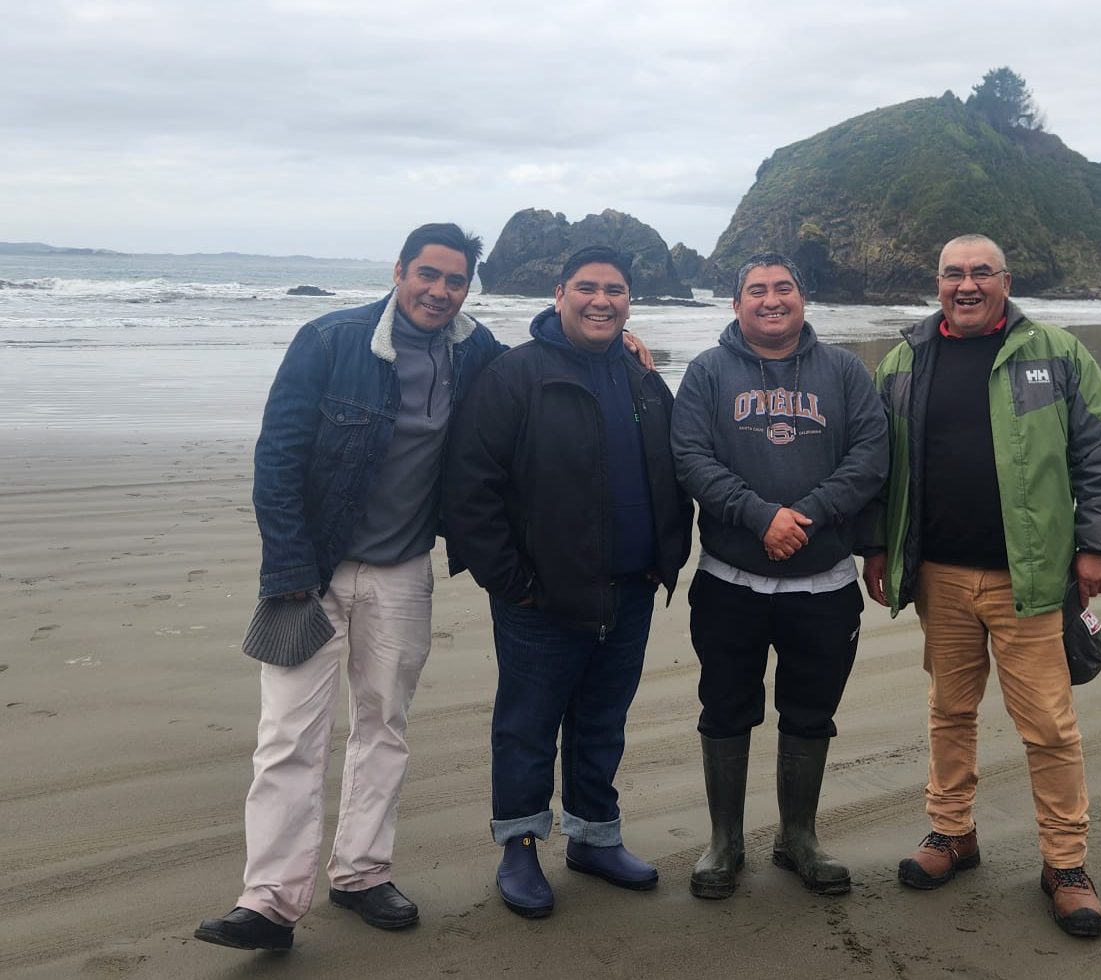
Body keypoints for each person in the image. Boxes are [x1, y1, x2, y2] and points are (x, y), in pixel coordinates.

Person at [195, 223, 504, 951]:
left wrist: (619, 341)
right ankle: (269, 902)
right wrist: (290, 572)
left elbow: (538, 372)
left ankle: (362, 872)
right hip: (311, 572)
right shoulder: (330, 341)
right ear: (398, 270)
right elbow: (277, 460)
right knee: (286, 738)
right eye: (427, 274)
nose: (438, 290)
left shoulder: (476, 351)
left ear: (468, 287)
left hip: (402, 573)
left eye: (454, 280)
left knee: (383, 725)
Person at [862, 233, 1101, 938]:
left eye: (981, 272)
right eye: (953, 273)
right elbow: (874, 462)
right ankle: (951, 833)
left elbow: (1099, 445)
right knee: (950, 711)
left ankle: (1065, 865)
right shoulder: (904, 359)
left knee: (1046, 725)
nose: (967, 284)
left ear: (1005, 281)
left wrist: (1097, 542)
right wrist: (876, 548)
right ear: (937, 282)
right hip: (939, 577)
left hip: (1033, 578)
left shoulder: (1057, 354)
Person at [443, 246, 692, 919]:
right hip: (540, 597)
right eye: (587, 287)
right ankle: (519, 847)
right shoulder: (513, 375)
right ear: (559, 294)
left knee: (602, 723)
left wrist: (661, 557)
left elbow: (672, 468)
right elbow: (470, 488)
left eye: (615, 289)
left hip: (630, 588)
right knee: (526, 727)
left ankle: (593, 839)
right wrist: (512, 582)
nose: (601, 300)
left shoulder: (643, 378)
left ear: (629, 302)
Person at [671, 252, 888, 899]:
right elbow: (689, 456)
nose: (771, 299)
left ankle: (798, 837)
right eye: (756, 290)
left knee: (809, 712)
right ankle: (724, 842)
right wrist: (759, 515)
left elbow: (870, 455)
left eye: (783, 288)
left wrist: (808, 515)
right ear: (735, 304)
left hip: (823, 586)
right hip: (728, 582)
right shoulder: (708, 372)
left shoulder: (845, 371)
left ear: (802, 298)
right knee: (726, 708)